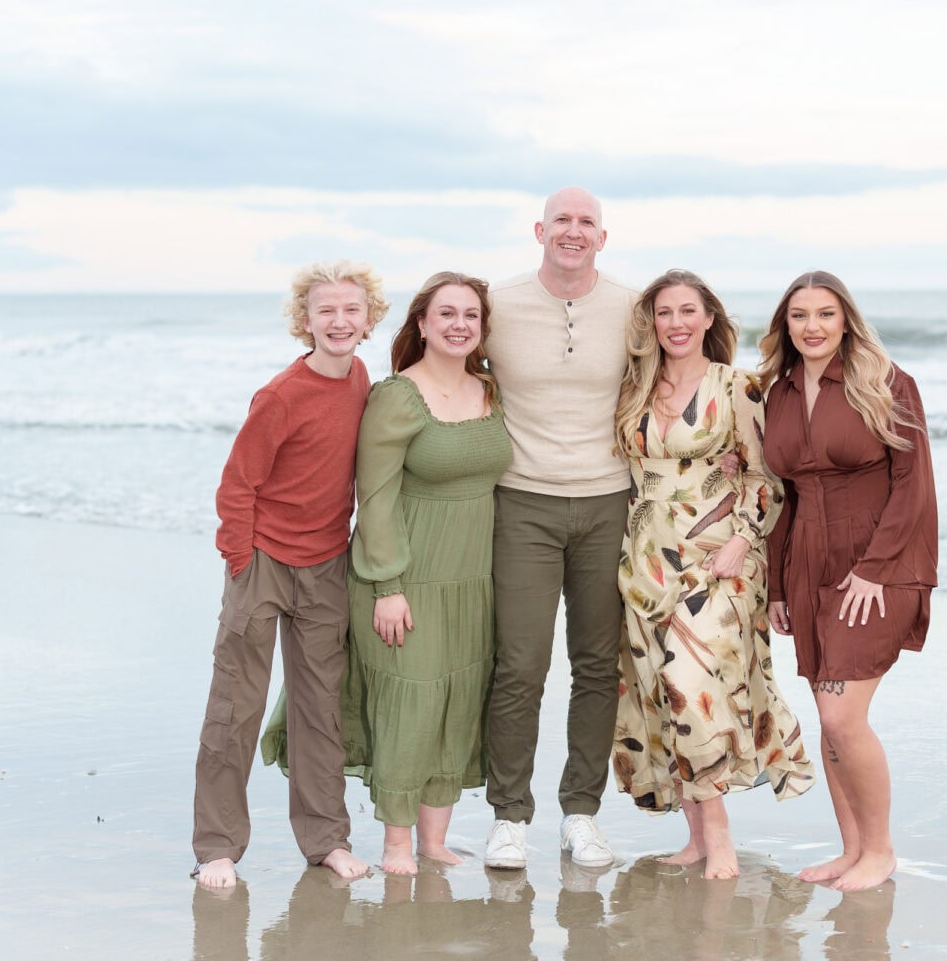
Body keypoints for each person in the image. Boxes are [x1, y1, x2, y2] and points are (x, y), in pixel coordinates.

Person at [262, 272, 512, 875]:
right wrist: (387, 587)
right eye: (445, 313)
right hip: (407, 577)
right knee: (410, 703)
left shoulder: (490, 391)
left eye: (471, 316)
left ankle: (432, 841)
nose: (459, 325)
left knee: (456, 702)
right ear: (421, 324)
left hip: (473, 578)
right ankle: (396, 846)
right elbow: (373, 497)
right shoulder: (398, 395)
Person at [610, 269, 816, 879]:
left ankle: (720, 838)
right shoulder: (633, 390)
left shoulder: (739, 387)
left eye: (687, 311)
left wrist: (746, 540)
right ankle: (696, 837)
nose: (676, 323)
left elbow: (766, 477)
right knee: (660, 685)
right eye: (664, 313)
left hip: (722, 557)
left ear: (708, 319)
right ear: (652, 323)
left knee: (690, 674)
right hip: (645, 556)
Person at [191, 260, 389, 889]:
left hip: (329, 564)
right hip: (264, 563)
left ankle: (326, 838)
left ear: (369, 319)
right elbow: (237, 484)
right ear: (305, 321)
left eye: (351, 310)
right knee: (237, 704)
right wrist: (242, 561)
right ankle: (218, 847)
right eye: (325, 310)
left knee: (319, 709)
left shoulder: (362, 379)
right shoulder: (280, 395)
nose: (339, 320)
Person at [758, 270, 938, 891]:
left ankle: (881, 851)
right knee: (826, 717)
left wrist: (875, 569)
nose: (812, 327)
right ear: (785, 324)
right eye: (800, 315)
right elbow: (783, 497)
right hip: (805, 564)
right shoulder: (776, 394)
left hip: (876, 566)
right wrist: (778, 587)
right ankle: (851, 850)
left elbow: (913, 486)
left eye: (825, 314)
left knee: (841, 719)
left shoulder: (887, 383)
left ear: (846, 320)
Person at [481, 186, 639, 869]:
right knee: (519, 664)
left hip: (610, 502)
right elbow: (444, 365)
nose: (573, 231)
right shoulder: (498, 302)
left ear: (603, 237)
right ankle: (509, 816)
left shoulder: (632, 306)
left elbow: (676, 376)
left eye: (587, 222)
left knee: (598, 666)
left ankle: (581, 813)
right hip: (522, 503)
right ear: (539, 230)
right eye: (562, 220)